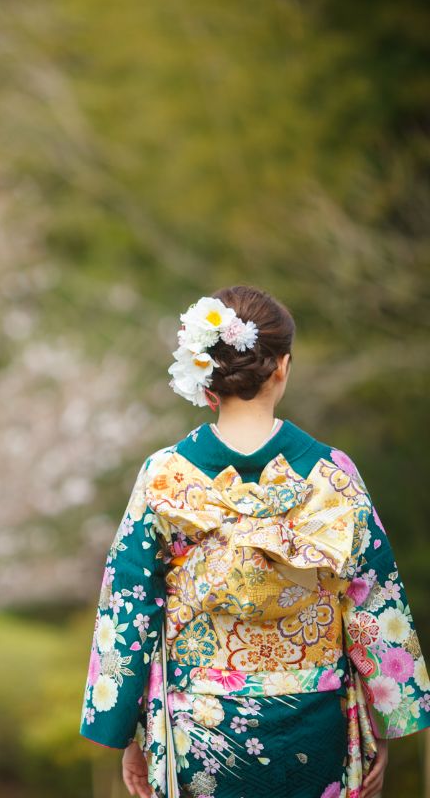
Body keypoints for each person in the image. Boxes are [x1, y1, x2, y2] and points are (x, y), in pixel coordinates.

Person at [78, 285, 430, 798]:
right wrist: (384, 718)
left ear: (207, 376)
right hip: (315, 717)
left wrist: (127, 729)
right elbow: (371, 597)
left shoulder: (165, 475)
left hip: (200, 724)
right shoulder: (331, 473)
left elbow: (128, 605)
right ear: (282, 366)